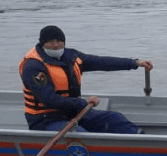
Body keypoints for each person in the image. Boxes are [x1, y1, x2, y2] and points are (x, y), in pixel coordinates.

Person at [20, 25, 154, 133]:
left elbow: (100, 62)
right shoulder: (33, 67)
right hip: (45, 121)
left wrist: (135, 63)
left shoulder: (71, 56)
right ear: (42, 43)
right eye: (50, 42)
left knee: (114, 118)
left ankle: (146, 144)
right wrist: (83, 102)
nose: (56, 45)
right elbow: (50, 100)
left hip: (74, 113)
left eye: (59, 41)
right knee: (78, 134)